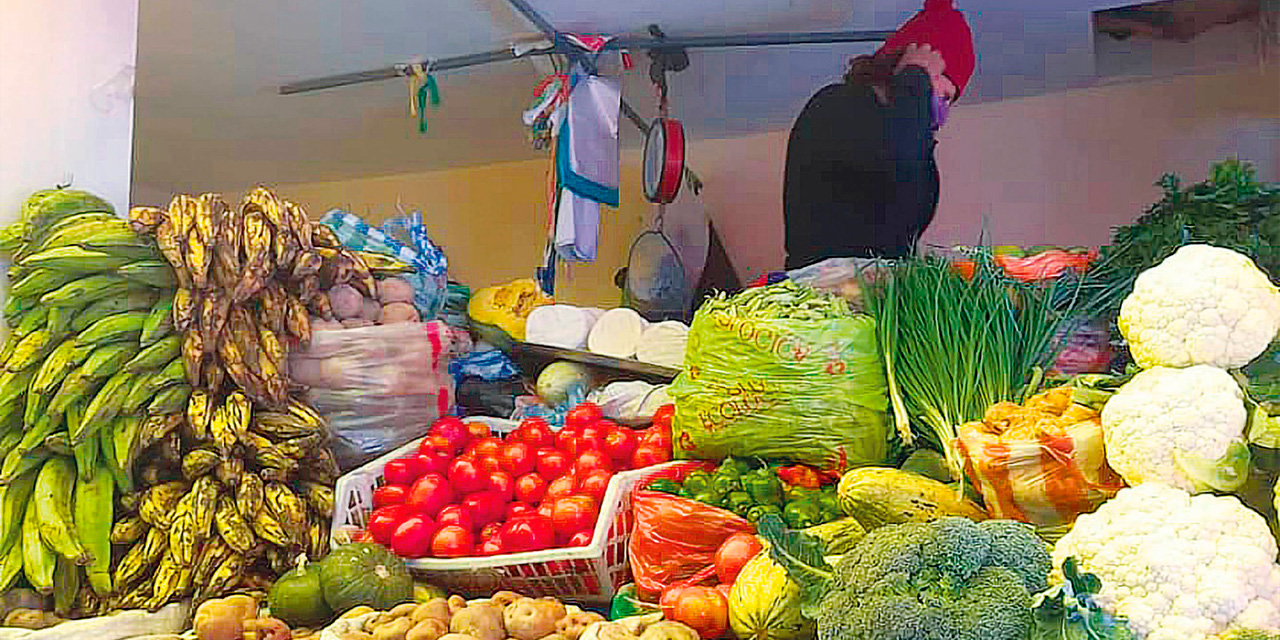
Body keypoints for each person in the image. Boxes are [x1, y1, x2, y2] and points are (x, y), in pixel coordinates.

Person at [782, 0, 976, 270]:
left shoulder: (908, 132)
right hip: (825, 288)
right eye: (943, 95)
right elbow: (898, 157)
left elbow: (910, 205)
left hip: (876, 290)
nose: (943, 112)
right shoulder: (836, 103)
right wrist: (916, 77)